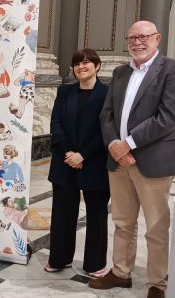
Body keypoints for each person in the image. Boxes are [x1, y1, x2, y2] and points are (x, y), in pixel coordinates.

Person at [89, 21, 175, 298]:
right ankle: (121, 272)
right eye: (132, 37)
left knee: (156, 227)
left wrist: (129, 144)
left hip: (152, 161)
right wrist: (114, 145)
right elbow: (106, 114)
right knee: (122, 222)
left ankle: (158, 283)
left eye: (143, 36)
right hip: (119, 162)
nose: (137, 42)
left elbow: (167, 117)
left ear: (157, 38)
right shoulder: (121, 72)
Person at [45, 49, 109, 277]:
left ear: (97, 66)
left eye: (86, 63)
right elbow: (55, 123)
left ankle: (95, 263)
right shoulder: (65, 91)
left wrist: (83, 155)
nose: (81, 67)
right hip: (64, 160)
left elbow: (107, 130)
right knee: (62, 213)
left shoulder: (108, 93)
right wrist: (69, 152)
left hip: (95, 161)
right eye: (77, 64)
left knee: (97, 215)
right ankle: (59, 259)